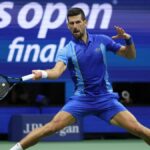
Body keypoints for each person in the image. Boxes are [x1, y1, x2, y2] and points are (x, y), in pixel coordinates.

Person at [10, 7, 150, 150]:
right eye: (71, 23)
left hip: (106, 99)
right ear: (68, 26)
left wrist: (128, 40)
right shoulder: (67, 50)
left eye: (78, 22)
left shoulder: (102, 40)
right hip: (81, 100)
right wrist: (43, 73)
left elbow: (130, 55)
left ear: (85, 22)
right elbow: (56, 72)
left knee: (139, 130)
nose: (75, 26)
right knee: (50, 128)